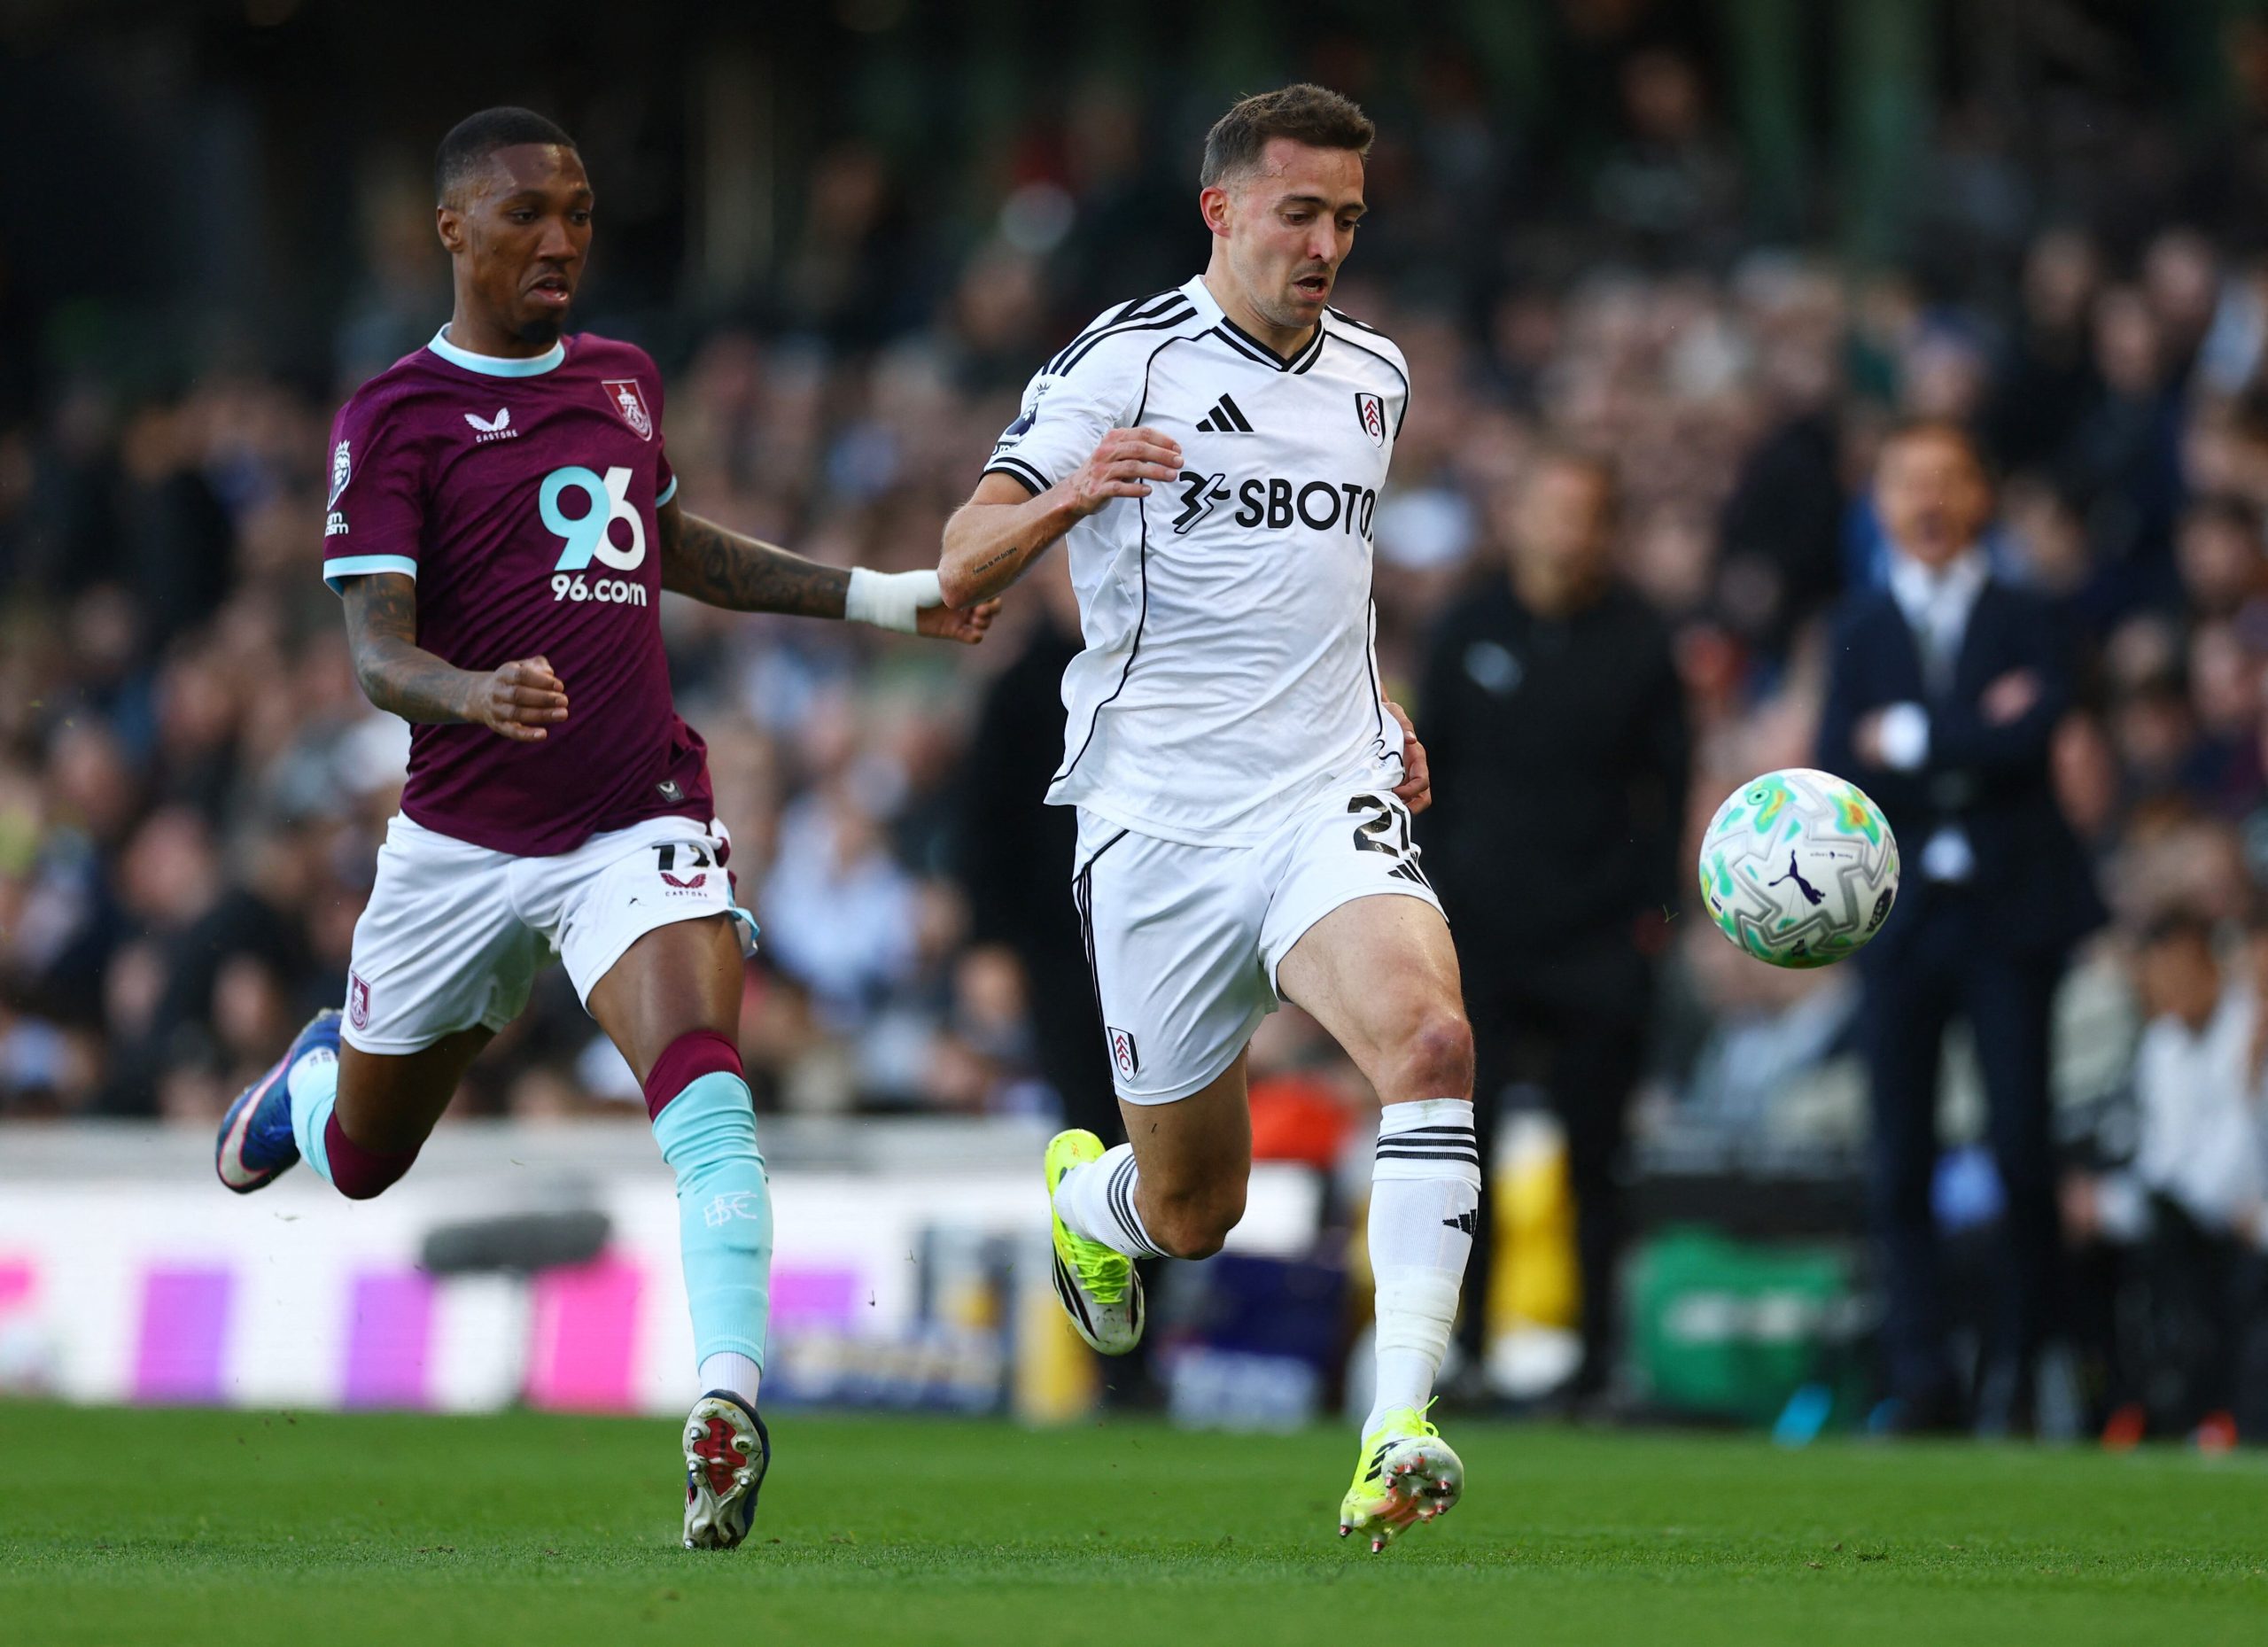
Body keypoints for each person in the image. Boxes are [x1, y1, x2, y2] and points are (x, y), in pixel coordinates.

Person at [209, 108, 995, 1549]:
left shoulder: (624, 379)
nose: (560, 237)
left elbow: (679, 548)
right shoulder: (392, 413)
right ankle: (313, 1081)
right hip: (457, 844)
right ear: (452, 229)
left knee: (708, 1090)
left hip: (634, 819)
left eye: (575, 210)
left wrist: (889, 598)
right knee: (368, 1159)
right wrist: (469, 689)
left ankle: (726, 1405)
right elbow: (375, 651)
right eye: (525, 213)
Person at [936, 84, 1475, 1550]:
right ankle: (1092, 1202)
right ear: (1220, 209)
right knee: (1194, 1210)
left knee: (1430, 1041)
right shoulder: (1122, 362)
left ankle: (1398, 1425)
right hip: (1158, 824)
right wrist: (1071, 496)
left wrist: (1380, 711)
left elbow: (1330, 586)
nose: (1327, 246)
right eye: (1300, 213)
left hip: (1322, 797)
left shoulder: (1375, 374)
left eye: (1347, 219)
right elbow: (962, 557)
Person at [1817, 418, 2104, 1433]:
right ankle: (1921, 1375)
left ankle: (2021, 1367)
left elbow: (2036, 731)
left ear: (1982, 494)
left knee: (2020, 1144)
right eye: (1908, 482)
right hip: (1899, 923)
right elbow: (1836, 761)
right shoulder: (1857, 622)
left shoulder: (2034, 613)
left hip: (2010, 916)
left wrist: (1906, 735)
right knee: (1898, 1156)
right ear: (1881, 502)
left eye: (1948, 479)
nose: (1929, 501)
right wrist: (1975, 729)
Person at [1417, 449, 1688, 1405]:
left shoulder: (1642, 638)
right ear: (1518, 516)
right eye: (1552, 508)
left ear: (1608, 528)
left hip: (1599, 939)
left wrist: (1653, 920)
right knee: (1461, 1149)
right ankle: (1466, 1351)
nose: (1567, 529)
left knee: (1598, 1155)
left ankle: (1598, 1358)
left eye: (1586, 512)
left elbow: (1669, 790)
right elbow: (1425, 773)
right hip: (1479, 936)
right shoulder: (1466, 627)